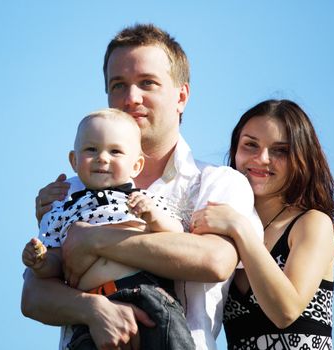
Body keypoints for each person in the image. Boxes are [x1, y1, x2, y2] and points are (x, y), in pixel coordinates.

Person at [21, 23, 262, 350]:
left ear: (181, 96)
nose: (131, 98)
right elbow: (33, 295)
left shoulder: (218, 182)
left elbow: (214, 260)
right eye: (118, 85)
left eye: (147, 83)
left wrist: (94, 239)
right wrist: (94, 310)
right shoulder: (69, 192)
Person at [23, 108, 195, 349]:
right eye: (91, 150)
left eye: (115, 151)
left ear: (136, 165)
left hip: (147, 294)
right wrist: (40, 261)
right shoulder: (62, 210)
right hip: (90, 308)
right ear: (74, 160)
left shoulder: (143, 199)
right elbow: (56, 263)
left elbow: (176, 235)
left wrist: (153, 216)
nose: (102, 157)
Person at [190, 99, 334, 349]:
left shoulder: (311, 223)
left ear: (302, 158)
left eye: (280, 150)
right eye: (250, 145)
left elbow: (285, 311)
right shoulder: (222, 226)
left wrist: (239, 227)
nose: (262, 158)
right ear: (235, 150)